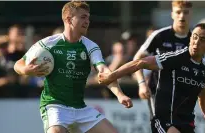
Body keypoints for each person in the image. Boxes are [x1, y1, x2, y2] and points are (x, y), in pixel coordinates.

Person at [13, 1, 132, 133]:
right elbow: (18, 64)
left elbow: (104, 71)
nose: (87, 21)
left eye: (88, 17)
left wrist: (120, 95)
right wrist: (25, 70)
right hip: (55, 106)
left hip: (80, 108)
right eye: (83, 17)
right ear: (69, 20)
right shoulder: (48, 44)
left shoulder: (91, 46)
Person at [99, 23, 205, 133]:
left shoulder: (203, 71)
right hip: (165, 120)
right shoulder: (176, 58)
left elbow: (204, 96)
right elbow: (140, 62)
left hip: (187, 123)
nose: (196, 42)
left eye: (202, 39)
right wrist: (112, 75)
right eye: (194, 37)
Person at [133, 0, 194, 119]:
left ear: (191, 14)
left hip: (183, 97)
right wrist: (141, 84)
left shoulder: (194, 40)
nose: (182, 16)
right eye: (178, 12)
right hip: (158, 93)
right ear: (172, 14)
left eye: (186, 12)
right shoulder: (159, 36)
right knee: (161, 127)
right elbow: (137, 59)